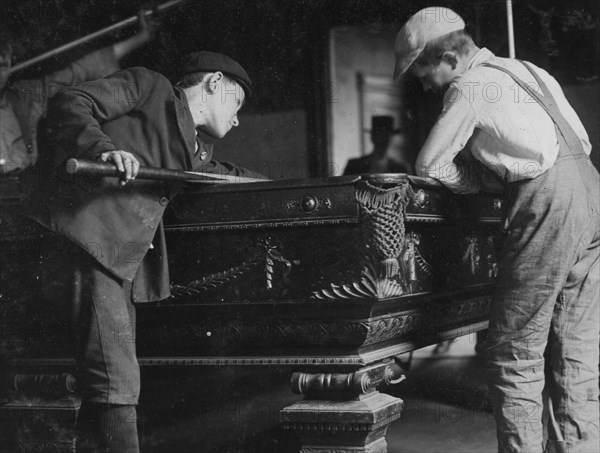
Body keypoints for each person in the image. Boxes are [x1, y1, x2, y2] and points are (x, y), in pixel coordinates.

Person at [26, 51, 264, 453]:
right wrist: (103, 149)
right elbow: (71, 101)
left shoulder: (196, 149)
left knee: (111, 379)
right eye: (236, 102)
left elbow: (217, 174)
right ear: (214, 82)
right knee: (115, 377)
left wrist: (264, 182)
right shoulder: (149, 86)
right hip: (90, 242)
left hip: (120, 263)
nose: (237, 118)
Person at [393, 6, 599, 453]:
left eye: (425, 73)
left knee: (513, 354)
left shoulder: (469, 87)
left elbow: (429, 164)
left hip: (548, 202)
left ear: (449, 59)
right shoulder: (526, 69)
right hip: (591, 192)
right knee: (575, 351)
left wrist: (474, 181)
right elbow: (575, 144)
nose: (426, 85)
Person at [0, 11, 156, 175]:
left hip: (16, 190)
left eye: (2, 66)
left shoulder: (24, 95)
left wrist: (141, 37)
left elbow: (82, 69)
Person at [343, 115, 410, 175]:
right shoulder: (354, 166)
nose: (382, 139)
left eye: (386, 134)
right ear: (372, 136)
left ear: (391, 138)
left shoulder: (401, 169)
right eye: (378, 134)